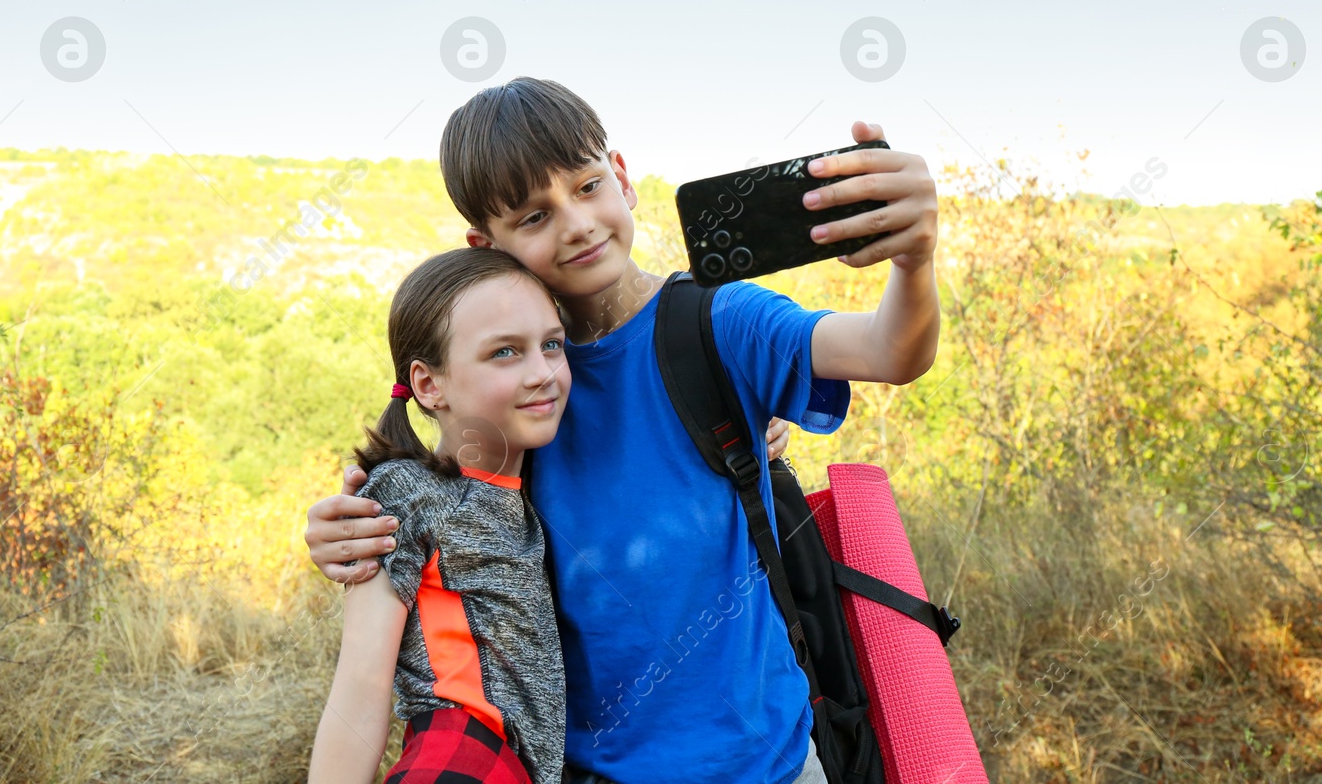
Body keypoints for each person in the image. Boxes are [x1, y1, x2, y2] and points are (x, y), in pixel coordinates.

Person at [305, 79, 940, 784]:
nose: (576, 223)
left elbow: (890, 350)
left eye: (586, 185)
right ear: (490, 245)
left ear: (623, 176)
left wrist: (913, 260)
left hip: (772, 764)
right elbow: (442, 490)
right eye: (534, 215)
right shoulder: (524, 385)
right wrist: (351, 523)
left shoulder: (718, 325)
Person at [308, 247, 570, 784]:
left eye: (551, 344)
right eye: (504, 353)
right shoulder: (407, 492)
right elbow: (361, 681)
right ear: (429, 385)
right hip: (460, 760)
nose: (542, 372)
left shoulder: (533, 485)